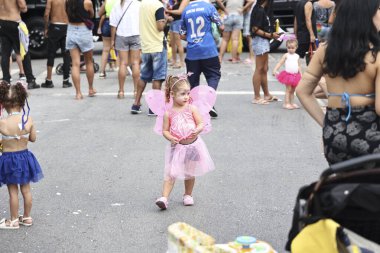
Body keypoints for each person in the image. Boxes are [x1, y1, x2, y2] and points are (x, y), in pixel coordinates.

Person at [296, 0, 380, 165]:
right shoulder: (376, 55)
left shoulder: (324, 50)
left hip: (334, 135)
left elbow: (302, 91)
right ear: (366, 16)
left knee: (342, 185)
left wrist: (326, 123)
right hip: (371, 134)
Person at [155, 75, 215, 210]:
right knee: (171, 173)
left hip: (192, 146)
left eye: (188, 93)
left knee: (190, 172)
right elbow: (165, 130)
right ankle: (164, 198)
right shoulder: (168, 113)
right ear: (172, 94)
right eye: (183, 94)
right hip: (177, 146)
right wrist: (170, 137)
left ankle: (188, 195)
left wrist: (197, 130)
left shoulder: (191, 108)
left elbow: (201, 123)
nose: (187, 97)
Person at [0, 81, 43, 229]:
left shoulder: (3, 123)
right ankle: (27, 217)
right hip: (25, 158)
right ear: (22, 101)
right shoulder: (28, 119)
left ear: (4, 103)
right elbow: (33, 138)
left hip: (8, 160)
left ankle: (13, 220)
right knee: (26, 189)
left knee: (13, 191)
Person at [179, 0, 224, 118]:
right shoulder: (209, 7)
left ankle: (195, 109)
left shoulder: (186, 10)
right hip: (209, 50)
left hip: (192, 53)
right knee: (213, 76)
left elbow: (182, 34)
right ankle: (208, 103)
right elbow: (222, 26)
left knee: (193, 82)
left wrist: (192, 38)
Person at [130, 0, 168, 115]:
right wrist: (167, 19)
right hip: (157, 45)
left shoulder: (142, 4)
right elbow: (160, 26)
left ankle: (136, 104)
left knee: (144, 77)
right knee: (157, 78)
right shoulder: (158, 5)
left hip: (146, 46)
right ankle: (154, 107)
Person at [0, 0, 40, 89]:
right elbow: (22, 6)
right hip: (14, 23)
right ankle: (30, 80)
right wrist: (24, 7)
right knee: (24, 51)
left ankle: (6, 80)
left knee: (5, 53)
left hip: (2, 22)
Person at [250, 0, 280, 105]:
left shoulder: (261, 9)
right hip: (260, 41)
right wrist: (271, 35)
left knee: (264, 68)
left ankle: (266, 94)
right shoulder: (259, 9)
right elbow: (255, 29)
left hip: (263, 41)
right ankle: (256, 97)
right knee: (259, 69)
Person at [65, 0, 97, 100]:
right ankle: (91, 89)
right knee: (89, 62)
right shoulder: (87, 2)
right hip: (84, 31)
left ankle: (78, 93)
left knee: (75, 64)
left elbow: (67, 14)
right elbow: (91, 15)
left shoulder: (67, 1)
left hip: (71, 30)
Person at [110, 0, 141, 99]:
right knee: (135, 63)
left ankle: (121, 91)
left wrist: (112, 40)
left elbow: (113, 25)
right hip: (136, 34)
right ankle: (136, 91)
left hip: (121, 35)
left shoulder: (117, 5)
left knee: (123, 63)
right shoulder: (138, 4)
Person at [42, 0, 73, 89]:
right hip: (66, 26)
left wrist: (46, 27)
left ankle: (49, 80)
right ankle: (66, 81)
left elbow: (46, 14)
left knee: (51, 54)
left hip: (54, 26)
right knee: (66, 54)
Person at [272, 39, 301, 110]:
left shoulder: (297, 56)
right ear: (286, 47)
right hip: (288, 76)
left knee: (293, 90)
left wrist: (301, 74)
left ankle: (292, 103)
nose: (290, 49)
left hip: (295, 76)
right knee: (288, 89)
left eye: (292, 48)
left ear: (296, 47)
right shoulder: (286, 55)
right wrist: (275, 69)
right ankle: (286, 103)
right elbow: (280, 63)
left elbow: (299, 65)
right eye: (289, 48)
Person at [98, 0, 118, 79]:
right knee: (120, 49)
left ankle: (102, 72)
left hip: (107, 22)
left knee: (105, 49)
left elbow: (99, 13)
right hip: (117, 24)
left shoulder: (107, 1)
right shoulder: (121, 1)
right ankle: (121, 70)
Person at [168, 0, 185, 69]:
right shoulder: (174, 2)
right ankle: (174, 60)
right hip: (172, 22)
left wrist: (168, 11)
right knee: (172, 43)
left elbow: (179, 12)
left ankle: (181, 62)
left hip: (178, 22)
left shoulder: (183, 1)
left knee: (178, 43)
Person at [242, 0, 256, 64]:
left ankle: (252, 58)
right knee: (250, 38)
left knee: (250, 38)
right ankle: (252, 57)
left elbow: (251, 1)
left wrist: (242, 9)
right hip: (252, 15)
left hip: (250, 16)